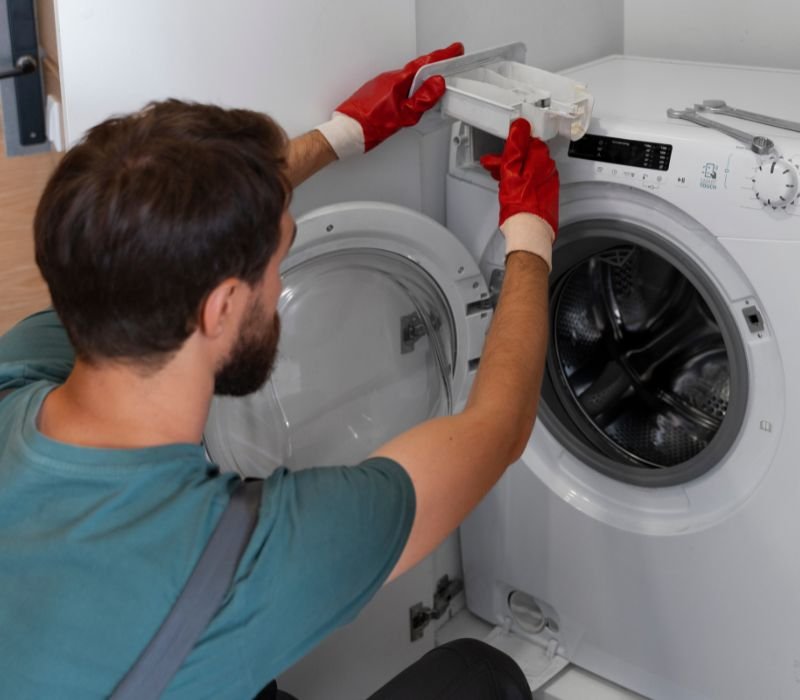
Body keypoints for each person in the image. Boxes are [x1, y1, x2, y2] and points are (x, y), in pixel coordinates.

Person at [0, 42, 558, 700]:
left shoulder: (21, 372)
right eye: (275, 264)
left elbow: (146, 240)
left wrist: (341, 136)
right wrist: (532, 235)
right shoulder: (249, 553)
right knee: (480, 675)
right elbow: (500, 426)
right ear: (223, 307)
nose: (277, 292)